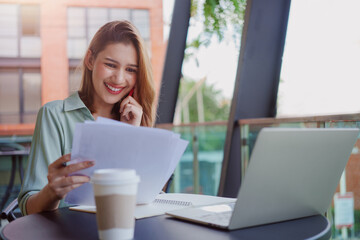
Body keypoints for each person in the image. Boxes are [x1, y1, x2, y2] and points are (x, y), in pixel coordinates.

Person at [18, 20, 156, 215]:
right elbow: (29, 209)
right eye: (110, 64)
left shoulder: (135, 120)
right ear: (90, 60)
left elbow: (147, 200)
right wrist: (52, 192)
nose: (118, 78)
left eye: (131, 70)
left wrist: (130, 134)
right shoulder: (55, 116)